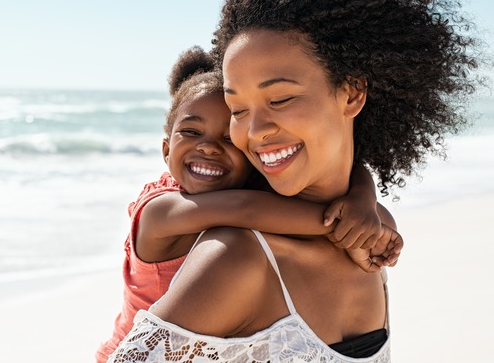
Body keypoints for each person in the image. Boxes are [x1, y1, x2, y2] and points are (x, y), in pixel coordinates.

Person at [107, 0, 482, 362]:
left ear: (353, 92)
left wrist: (362, 200)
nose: (255, 130)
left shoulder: (368, 234)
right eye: (238, 109)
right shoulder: (236, 257)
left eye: (280, 99)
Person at [96, 46, 402, 363]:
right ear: (165, 149)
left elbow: (344, 170)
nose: (209, 147)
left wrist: (361, 198)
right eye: (190, 131)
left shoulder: (242, 187)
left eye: (229, 137)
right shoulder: (161, 210)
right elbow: (246, 208)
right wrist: (351, 226)